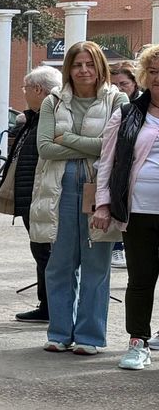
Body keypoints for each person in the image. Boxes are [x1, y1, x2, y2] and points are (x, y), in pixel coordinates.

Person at [34, 40, 128, 353]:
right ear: (68, 69)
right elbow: (45, 147)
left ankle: (90, 337)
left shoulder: (118, 100)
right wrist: (92, 142)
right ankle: (59, 333)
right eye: (77, 64)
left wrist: (69, 139)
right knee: (59, 263)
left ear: (100, 67)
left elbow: (113, 147)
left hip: (99, 191)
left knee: (96, 265)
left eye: (90, 64)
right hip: (58, 191)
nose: (83, 70)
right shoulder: (53, 101)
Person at [95, 44, 159, 370]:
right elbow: (107, 162)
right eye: (155, 72)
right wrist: (103, 205)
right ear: (145, 76)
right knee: (141, 278)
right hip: (139, 210)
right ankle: (138, 342)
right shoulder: (127, 113)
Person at [0, 65, 62, 323]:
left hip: (42, 197)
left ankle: (51, 307)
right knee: (40, 251)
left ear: (38, 89)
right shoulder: (36, 117)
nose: (24, 93)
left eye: (26, 88)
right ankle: (46, 304)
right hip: (32, 197)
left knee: (46, 251)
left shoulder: (51, 117)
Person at [110, 60, 140, 269]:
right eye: (115, 85)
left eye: (123, 84)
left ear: (135, 83)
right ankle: (117, 248)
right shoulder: (115, 106)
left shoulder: (141, 108)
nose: (119, 89)